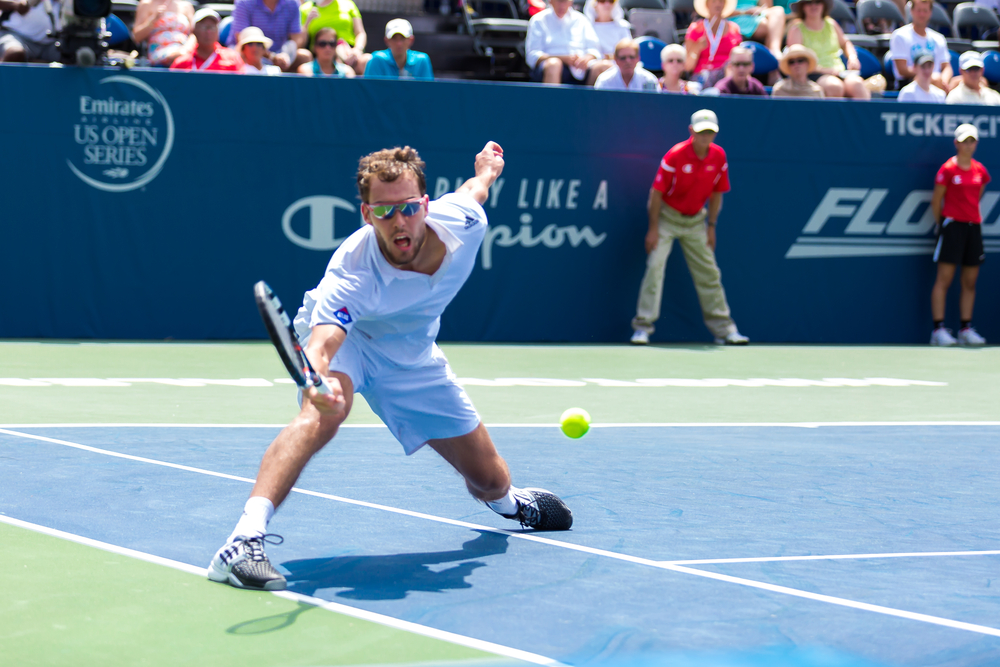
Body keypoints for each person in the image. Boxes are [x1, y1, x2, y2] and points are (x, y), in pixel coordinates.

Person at [207, 142, 573, 591]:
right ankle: (242, 541)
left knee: (489, 480)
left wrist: (486, 171)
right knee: (323, 416)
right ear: (366, 214)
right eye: (384, 212)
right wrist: (318, 379)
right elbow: (323, 343)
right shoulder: (354, 272)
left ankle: (512, 504)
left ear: (425, 203)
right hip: (353, 342)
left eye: (408, 208)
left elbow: (473, 191)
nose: (399, 221)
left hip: (412, 355)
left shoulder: (464, 221)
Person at [630, 110, 749, 347]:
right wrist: (653, 228)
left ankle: (724, 330)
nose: (706, 137)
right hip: (668, 219)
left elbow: (717, 193)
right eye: (701, 132)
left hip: (697, 222)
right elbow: (656, 193)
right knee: (654, 268)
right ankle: (643, 327)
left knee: (710, 273)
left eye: (710, 133)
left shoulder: (718, 156)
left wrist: (711, 226)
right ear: (691, 131)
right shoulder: (676, 155)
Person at [929, 124, 989, 346]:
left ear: (976, 144)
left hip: (973, 227)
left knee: (970, 281)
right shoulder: (947, 169)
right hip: (952, 227)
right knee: (944, 279)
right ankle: (938, 330)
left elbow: (977, 195)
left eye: (972, 141)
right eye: (964, 141)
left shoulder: (980, 171)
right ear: (956, 143)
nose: (968, 145)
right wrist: (944, 224)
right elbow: (937, 201)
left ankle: (965, 328)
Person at [785, 0, 869, 99]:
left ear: (823, 5)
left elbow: (845, 43)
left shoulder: (831, 24)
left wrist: (852, 57)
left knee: (857, 84)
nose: (814, 6)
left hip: (839, 72)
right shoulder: (796, 29)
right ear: (802, 7)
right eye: (809, 3)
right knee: (834, 86)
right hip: (812, 74)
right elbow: (796, 59)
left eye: (817, 2)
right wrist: (823, 70)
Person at [525, 0, 612, 86]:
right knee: (554, 64)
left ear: (571, 2)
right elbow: (532, 56)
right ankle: (552, 100)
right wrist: (563, 59)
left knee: (605, 66)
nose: (562, 5)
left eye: (565, 1)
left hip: (581, 68)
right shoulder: (538, 20)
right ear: (551, 1)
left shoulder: (582, 20)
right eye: (560, 1)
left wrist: (586, 58)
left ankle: (589, 100)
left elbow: (594, 49)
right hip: (549, 67)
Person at [229, 0, 311, 72]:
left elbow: (296, 38)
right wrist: (272, 57)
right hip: (251, 52)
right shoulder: (244, 2)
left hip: (278, 54)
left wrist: (285, 55)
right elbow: (243, 40)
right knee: (240, 56)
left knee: (304, 56)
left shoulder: (292, 3)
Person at [888, 0, 951, 92]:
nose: (922, 14)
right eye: (919, 10)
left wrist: (944, 81)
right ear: (911, 11)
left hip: (937, 83)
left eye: (925, 11)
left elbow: (946, 67)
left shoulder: (939, 38)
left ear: (930, 12)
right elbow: (902, 69)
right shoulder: (900, 35)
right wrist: (928, 75)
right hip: (909, 83)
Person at [300, 0, 370, 76]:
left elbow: (360, 33)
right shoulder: (305, 8)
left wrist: (357, 49)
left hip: (349, 53)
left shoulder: (348, 4)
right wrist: (307, 23)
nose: (329, 47)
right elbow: (300, 40)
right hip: (319, 54)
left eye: (332, 44)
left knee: (367, 60)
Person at [685, 0, 743, 88]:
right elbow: (688, 67)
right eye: (714, 1)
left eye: (721, 1)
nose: (718, 4)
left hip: (726, 75)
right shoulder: (695, 29)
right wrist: (696, 48)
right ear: (707, 5)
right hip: (701, 76)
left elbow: (739, 60)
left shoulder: (734, 29)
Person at [170, 8, 244, 72]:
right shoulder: (181, 63)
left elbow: (242, 85)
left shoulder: (233, 58)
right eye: (204, 27)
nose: (209, 32)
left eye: (212, 27)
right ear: (194, 31)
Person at [365, 18, 433, 80]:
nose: (399, 43)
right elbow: (369, 90)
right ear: (386, 40)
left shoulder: (422, 61)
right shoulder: (376, 60)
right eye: (394, 38)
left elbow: (428, 90)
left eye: (403, 38)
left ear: (411, 40)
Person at [132, 0, 194, 67]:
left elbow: (194, 34)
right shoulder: (147, 4)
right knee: (179, 56)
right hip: (159, 52)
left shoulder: (186, 6)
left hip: (184, 49)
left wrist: (186, 49)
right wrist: (153, 20)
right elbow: (136, 37)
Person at [594, 38, 660, 90]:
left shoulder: (649, 80)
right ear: (616, 59)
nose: (628, 61)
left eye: (632, 57)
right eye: (623, 58)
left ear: (638, 58)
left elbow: (656, 104)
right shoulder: (605, 80)